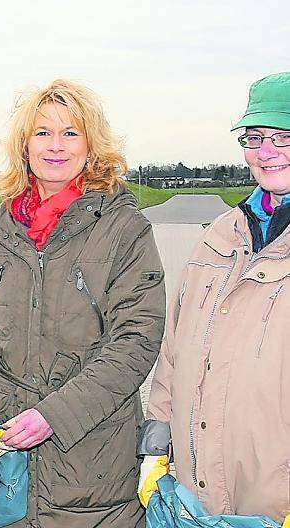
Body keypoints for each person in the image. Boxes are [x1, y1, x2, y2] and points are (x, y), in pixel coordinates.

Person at [0, 79, 166, 527]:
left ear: (91, 144)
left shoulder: (125, 228)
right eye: (43, 133)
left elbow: (135, 343)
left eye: (71, 132)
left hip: (93, 472)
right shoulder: (1, 230)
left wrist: (53, 416)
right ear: (24, 145)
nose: (56, 146)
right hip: (8, 466)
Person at [141, 72, 290, 522]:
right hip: (196, 496)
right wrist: (156, 443)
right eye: (255, 137)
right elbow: (173, 352)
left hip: (270, 500)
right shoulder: (218, 238)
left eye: (284, 137)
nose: (266, 152)